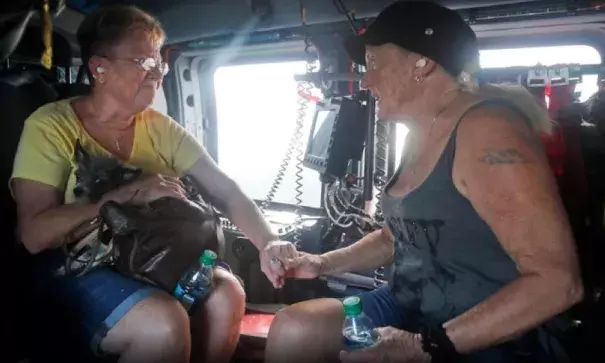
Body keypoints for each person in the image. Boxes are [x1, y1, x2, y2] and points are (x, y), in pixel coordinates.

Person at [264, 2, 583, 363]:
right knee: (294, 329)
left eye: (373, 63)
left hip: (492, 328)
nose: (366, 81)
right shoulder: (422, 131)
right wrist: (319, 263)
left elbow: (558, 282)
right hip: (411, 302)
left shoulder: (488, 129)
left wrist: (423, 347)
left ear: (423, 62)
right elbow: (394, 236)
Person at [10, 5, 297, 363]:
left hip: (155, 253)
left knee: (229, 296)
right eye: (144, 63)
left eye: (160, 63)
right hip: (77, 266)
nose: (158, 73)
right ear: (100, 68)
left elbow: (224, 190)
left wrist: (269, 242)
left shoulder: (160, 127)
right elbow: (35, 234)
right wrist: (128, 194)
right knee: (163, 323)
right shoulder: (50, 128)